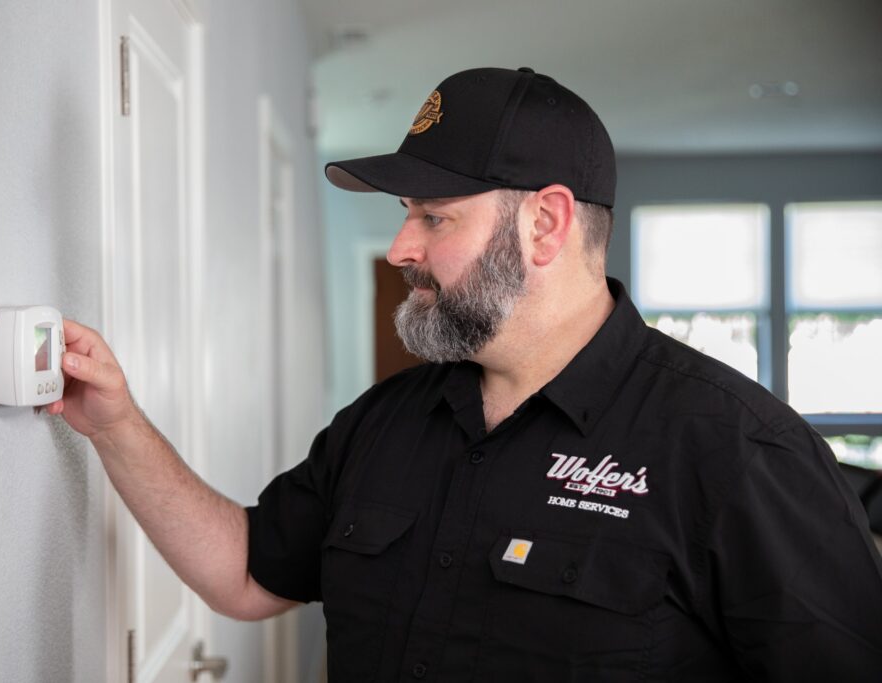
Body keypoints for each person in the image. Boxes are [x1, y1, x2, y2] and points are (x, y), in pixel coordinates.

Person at [50, 67, 882, 681]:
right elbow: (244, 572)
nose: (400, 247)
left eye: (432, 215)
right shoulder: (383, 423)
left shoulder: (741, 451)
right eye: (404, 214)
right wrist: (118, 425)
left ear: (544, 224)